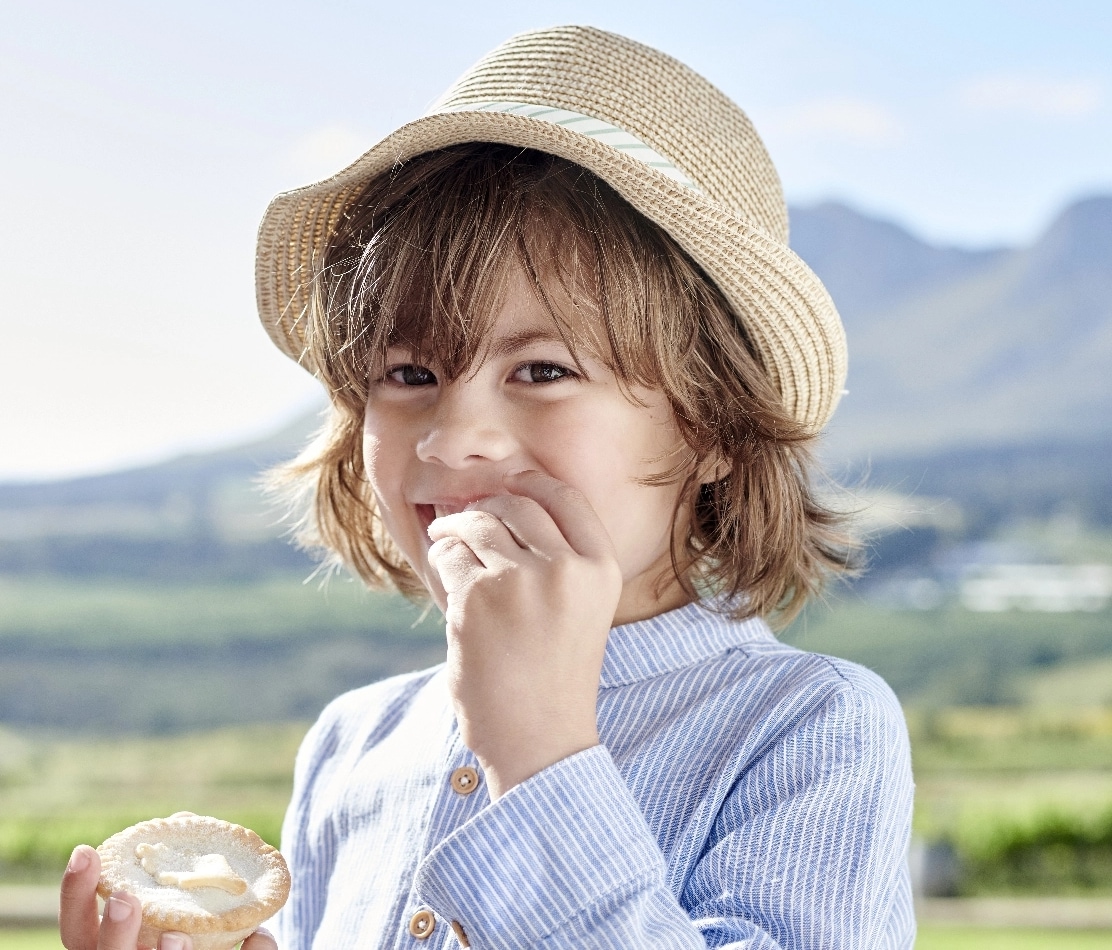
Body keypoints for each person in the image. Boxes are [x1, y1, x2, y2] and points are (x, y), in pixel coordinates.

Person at [60, 25, 914, 950]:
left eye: (543, 370)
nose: (454, 436)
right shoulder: (354, 744)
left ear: (710, 424)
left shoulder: (810, 727)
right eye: (410, 373)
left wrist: (539, 749)